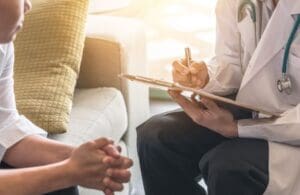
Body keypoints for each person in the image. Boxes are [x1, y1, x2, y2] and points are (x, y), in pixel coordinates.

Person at [137, 0, 300, 195]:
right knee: (156, 136)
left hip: (293, 132)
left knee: (228, 167)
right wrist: (205, 77)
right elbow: (232, 60)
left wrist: (237, 128)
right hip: (258, 109)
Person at [0, 0, 133, 195]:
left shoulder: (3, 44)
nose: (28, 5)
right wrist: (66, 171)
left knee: (61, 187)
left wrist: (85, 159)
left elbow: (5, 127)